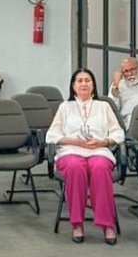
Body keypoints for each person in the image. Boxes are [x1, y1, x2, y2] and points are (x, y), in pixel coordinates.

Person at [45, 68, 124, 245]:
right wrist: (73, 141)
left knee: (100, 168)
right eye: (79, 81)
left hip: (98, 150)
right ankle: (77, 223)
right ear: (73, 86)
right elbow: (51, 135)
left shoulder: (104, 106)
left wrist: (103, 141)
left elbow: (118, 133)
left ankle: (107, 224)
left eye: (88, 80)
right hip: (71, 150)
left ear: (93, 85)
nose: (84, 84)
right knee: (75, 167)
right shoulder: (65, 107)